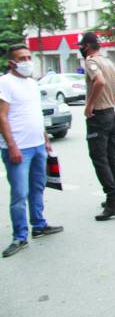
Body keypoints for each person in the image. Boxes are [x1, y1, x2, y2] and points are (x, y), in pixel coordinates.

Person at [0, 44, 63, 258]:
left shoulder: (32, 83)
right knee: (19, 193)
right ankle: (19, 236)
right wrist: (12, 146)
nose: (27, 61)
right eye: (22, 58)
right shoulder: (5, 83)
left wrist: (45, 139)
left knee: (37, 188)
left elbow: (35, 114)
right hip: (19, 148)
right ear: (12, 62)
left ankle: (38, 225)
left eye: (29, 57)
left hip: (37, 145)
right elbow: (2, 116)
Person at [77, 32, 115, 221]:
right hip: (111, 114)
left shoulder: (91, 62)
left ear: (86, 46)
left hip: (99, 116)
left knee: (99, 159)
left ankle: (113, 200)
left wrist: (89, 105)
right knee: (111, 157)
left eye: (82, 46)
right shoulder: (108, 62)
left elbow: (99, 81)